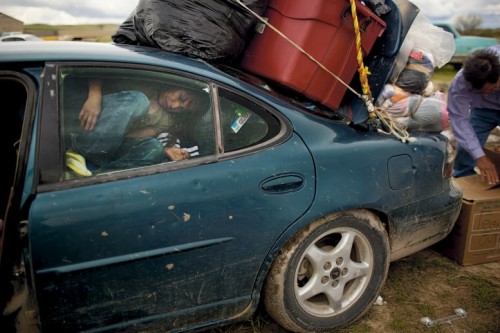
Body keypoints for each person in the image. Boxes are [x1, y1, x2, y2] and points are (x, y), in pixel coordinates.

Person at [68, 80, 201, 175]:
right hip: (87, 132)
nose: (174, 105)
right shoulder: (144, 80)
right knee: (139, 100)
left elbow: (132, 137)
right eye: (181, 97)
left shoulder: (166, 119)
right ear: (177, 83)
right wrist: (94, 96)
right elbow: (99, 71)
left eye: (181, 109)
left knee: (155, 147)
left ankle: (99, 177)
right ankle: (82, 151)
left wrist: (165, 150)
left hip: (109, 147)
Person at [447, 45, 500, 185]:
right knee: (466, 148)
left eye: (490, 90)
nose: (484, 94)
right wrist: (480, 157)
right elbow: (459, 120)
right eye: (479, 91)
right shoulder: (461, 82)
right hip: (483, 111)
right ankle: (465, 184)